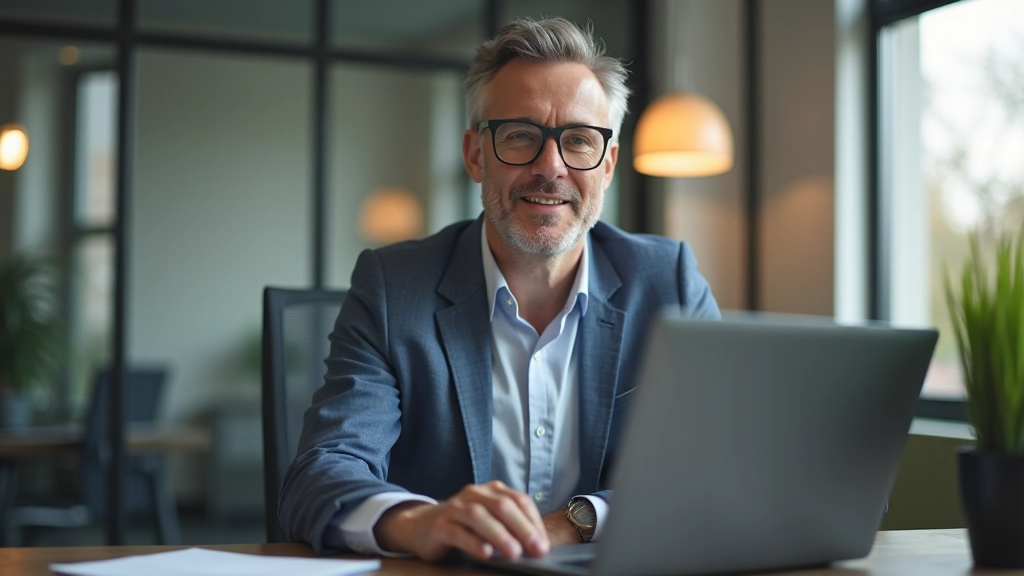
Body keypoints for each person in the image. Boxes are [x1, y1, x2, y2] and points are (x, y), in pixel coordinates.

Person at [280, 17, 720, 562]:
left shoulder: (668, 282)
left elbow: (714, 466)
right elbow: (321, 471)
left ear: (607, 166)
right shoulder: (394, 288)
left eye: (579, 141)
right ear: (474, 155)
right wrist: (417, 521)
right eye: (520, 136)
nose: (550, 168)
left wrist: (576, 520)